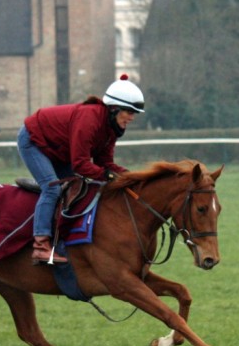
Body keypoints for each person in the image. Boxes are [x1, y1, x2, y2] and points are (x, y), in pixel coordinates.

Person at [17, 74, 145, 265]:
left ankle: (63, 239)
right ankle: (41, 245)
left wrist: (130, 176)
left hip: (59, 148)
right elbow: (80, 164)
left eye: (134, 113)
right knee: (52, 188)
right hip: (34, 140)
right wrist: (106, 175)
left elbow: (105, 162)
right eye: (129, 112)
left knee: (76, 188)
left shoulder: (110, 128)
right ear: (114, 109)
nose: (132, 118)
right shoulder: (90, 119)